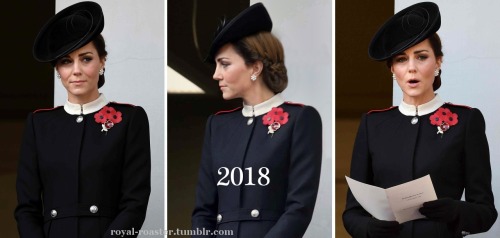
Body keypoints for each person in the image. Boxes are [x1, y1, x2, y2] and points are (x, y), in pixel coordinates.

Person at [343, 2, 497, 237]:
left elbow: (485, 213)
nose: (411, 68)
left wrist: (456, 210)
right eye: (402, 59)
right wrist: (368, 229)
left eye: (421, 57)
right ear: (392, 69)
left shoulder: (466, 121)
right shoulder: (372, 125)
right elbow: (351, 214)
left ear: (438, 62)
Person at [14, 2, 151, 237]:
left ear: (102, 61)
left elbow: (135, 204)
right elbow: (27, 208)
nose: (76, 70)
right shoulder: (39, 124)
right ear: (58, 69)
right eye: (66, 61)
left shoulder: (130, 119)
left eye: (86, 59)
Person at [191, 3, 322, 238]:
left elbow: (298, 210)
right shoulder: (217, 125)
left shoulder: (300, 119)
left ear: (255, 67)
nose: (215, 74)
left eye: (225, 64)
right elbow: (203, 211)